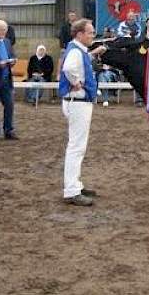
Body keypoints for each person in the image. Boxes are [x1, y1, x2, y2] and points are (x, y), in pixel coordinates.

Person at [60, 18, 107, 207]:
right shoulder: (76, 51)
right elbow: (69, 68)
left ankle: (75, 185)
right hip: (78, 102)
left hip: (77, 102)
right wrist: (76, 82)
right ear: (80, 34)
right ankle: (71, 189)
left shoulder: (77, 50)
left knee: (77, 146)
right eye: (90, 32)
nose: (92, 35)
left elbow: (74, 64)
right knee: (76, 147)